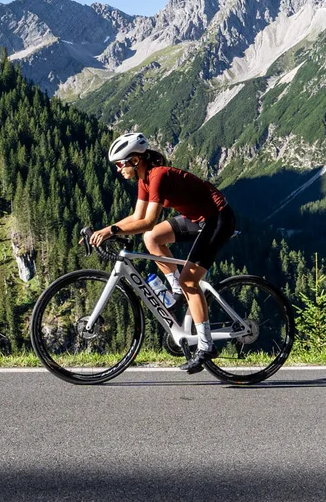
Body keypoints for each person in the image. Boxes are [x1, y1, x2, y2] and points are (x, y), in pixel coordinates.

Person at [90, 132, 236, 373]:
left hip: (218, 219)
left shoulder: (158, 176)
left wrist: (112, 231)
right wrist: (106, 230)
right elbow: (137, 217)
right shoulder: (144, 180)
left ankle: (206, 345)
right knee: (152, 238)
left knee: (190, 282)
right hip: (197, 218)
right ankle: (176, 287)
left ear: (135, 160)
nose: (118, 169)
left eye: (120, 164)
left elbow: (148, 221)